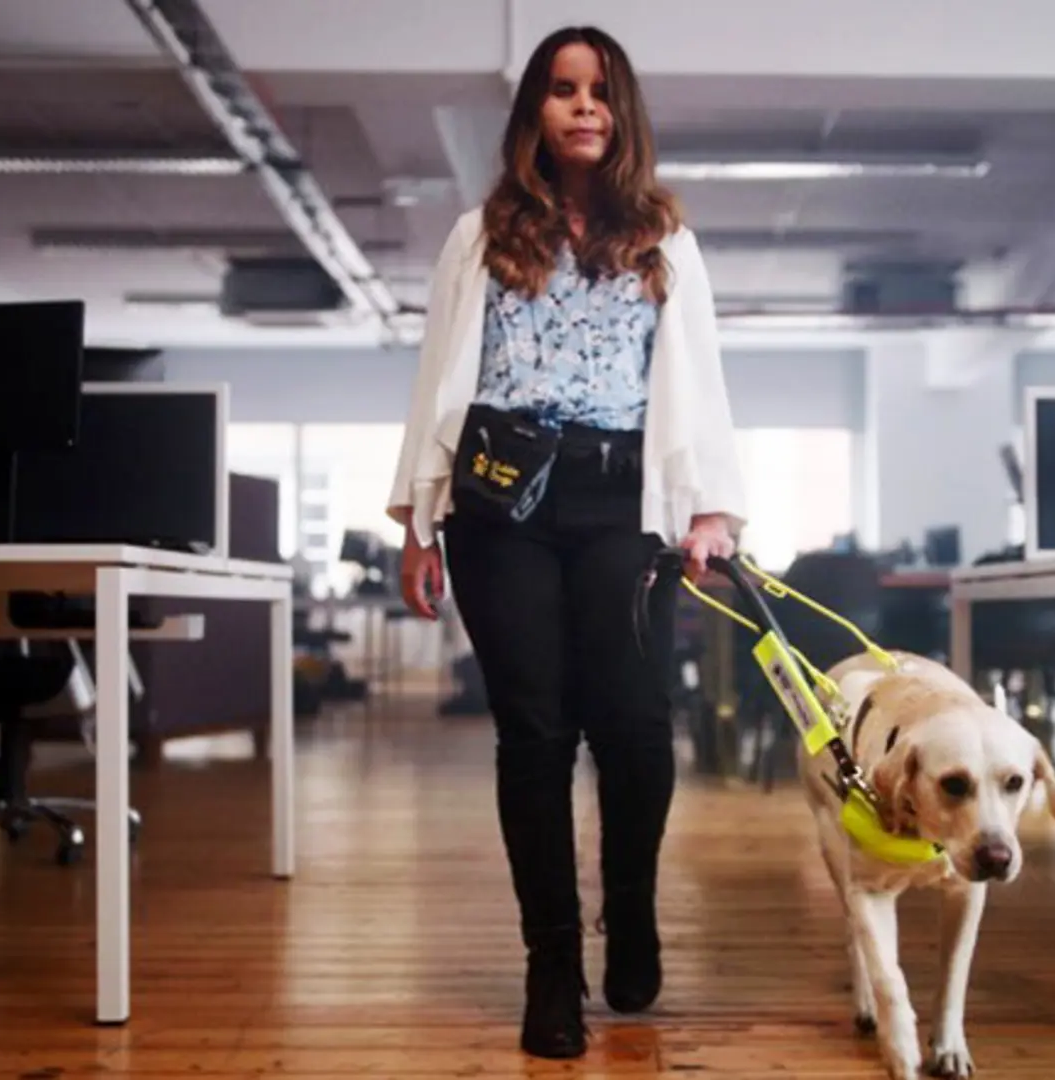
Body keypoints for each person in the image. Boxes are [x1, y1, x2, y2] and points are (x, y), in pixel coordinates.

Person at [384, 25, 747, 1060]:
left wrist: (708, 505)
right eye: (560, 90)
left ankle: (626, 905)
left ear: (621, 111)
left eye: (599, 92)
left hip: (621, 504)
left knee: (633, 726)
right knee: (535, 734)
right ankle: (552, 964)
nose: (582, 107)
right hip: (500, 507)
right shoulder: (480, 232)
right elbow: (439, 377)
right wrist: (418, 515)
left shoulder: (664, 236)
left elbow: (701, 380)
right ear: (534, 112)